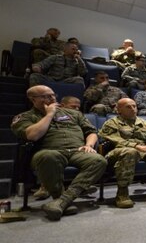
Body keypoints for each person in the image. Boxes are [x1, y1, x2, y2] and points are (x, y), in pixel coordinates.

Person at [11, 85, 107, 221]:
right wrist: (49, 114)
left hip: (78, 150)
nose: (51, 98)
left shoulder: (73, 114)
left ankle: (62, 201)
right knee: (49, 157)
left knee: (99, 160)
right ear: (33, 99)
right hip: (49, 151)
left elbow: (91, 132)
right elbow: (32, 135)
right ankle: (62, 199)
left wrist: (89, 145)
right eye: (45, 96)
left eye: (52, 95)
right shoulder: (25, 117)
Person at [99, 98, 146, 208]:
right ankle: (122, 194)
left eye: (134, 106)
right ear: (119, 110)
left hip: (143, 151)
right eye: (128, 107)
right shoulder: (111, 123)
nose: (133, 109)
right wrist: (137, 147)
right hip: (118, 151)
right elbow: (116, 140)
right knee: (130, 151)